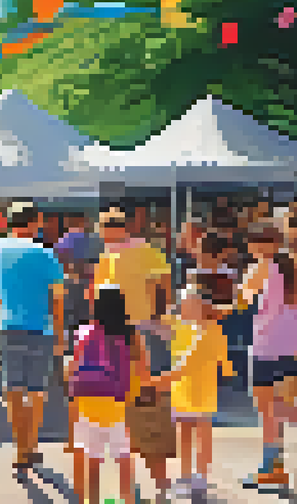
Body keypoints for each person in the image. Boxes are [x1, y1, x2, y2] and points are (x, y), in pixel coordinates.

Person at [92, 207, 176, 494]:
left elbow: (164, 284)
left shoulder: (145, 250)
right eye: (103, 226)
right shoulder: (107, 255)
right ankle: (139, 483)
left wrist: (159, 317)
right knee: (127, 404)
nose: (104, 231)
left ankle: (154, 480)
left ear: (120, 227)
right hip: (116, 331)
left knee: (147, 401)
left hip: (143, 328)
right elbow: (98, 295)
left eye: (108, 225)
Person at [0, 201, 65, 473]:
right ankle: (30, 445)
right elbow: (57, 299)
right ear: (35, 222)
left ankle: (20, 449)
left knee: (13, 389)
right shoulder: (45, 253)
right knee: (36, 391)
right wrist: (60, 334)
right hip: (40, 326)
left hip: (8, 324)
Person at [150, 282, 232, 496]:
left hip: (202, 391)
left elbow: (191, 365)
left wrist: (151, 382)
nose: (182, 306)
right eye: (182, 303)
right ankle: (186, 476)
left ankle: (201, 479)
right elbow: (156, 322)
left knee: (202, 435)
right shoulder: (185, 325)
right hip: (182, 390)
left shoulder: (209, 331)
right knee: (184, 434)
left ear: (200, 306)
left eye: (186, 303)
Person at [237, 222, 297, 488]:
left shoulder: (261, 267)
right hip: (294, 347)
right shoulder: (293, 265)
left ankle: (271, 469)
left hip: (267, 347)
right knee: (283, 408)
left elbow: (241, 300)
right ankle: (275, 469)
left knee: (269, 412)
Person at [68, 287, 140, 504]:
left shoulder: (83, 331)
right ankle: (128, 499)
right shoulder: (129, 334)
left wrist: (73, 399)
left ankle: (92, 500)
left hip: (87, 400)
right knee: (123, 456)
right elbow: (141, 369)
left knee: (93, 458)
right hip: (117, 401)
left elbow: (73, 367)